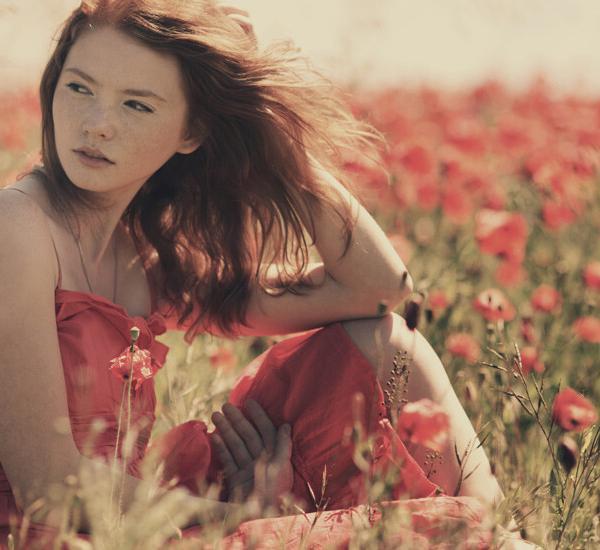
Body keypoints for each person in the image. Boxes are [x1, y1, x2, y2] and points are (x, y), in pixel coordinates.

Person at [0, 1, 539, 548]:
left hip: (137, 517)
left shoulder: (142, 257)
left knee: (388, 348)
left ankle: (504, 532)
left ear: (192, 131)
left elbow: (377, 290)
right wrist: (242, 514)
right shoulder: (18, 225)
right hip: (58, 535)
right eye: (79, 87)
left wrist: (272, 133)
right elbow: (48, 488)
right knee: (448, 532)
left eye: (136, 104)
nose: (96, 125)